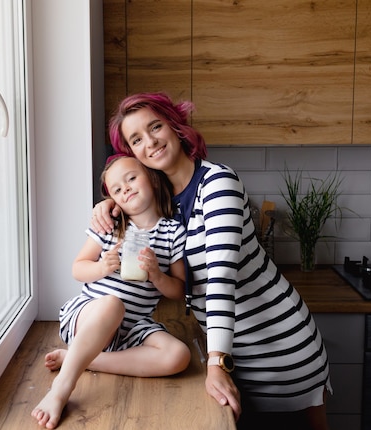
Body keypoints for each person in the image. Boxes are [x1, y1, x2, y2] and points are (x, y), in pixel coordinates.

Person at [91, 92, 333, 430]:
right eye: (136, 140)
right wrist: (108, 206)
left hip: (280, 351)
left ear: (175, 126)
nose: (151, 142)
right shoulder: (164, 201)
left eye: (155, 126)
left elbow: (220, 281)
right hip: (235, 351)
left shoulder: (218, 184)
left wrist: (217, 363)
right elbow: (130, 210)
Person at [31, 154, 191, 429]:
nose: (126, 188)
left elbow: (179, 290)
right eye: (117, 189)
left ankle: (83, 358)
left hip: (131, 328)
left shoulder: (173, 232)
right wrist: (102, 267)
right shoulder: (110, 226)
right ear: (112, 199)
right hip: (90, 315)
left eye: (131, 178)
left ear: (151, 178)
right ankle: (62, 386)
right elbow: (78, 268)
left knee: (179, 356)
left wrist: (156, 275)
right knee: (113, 305)